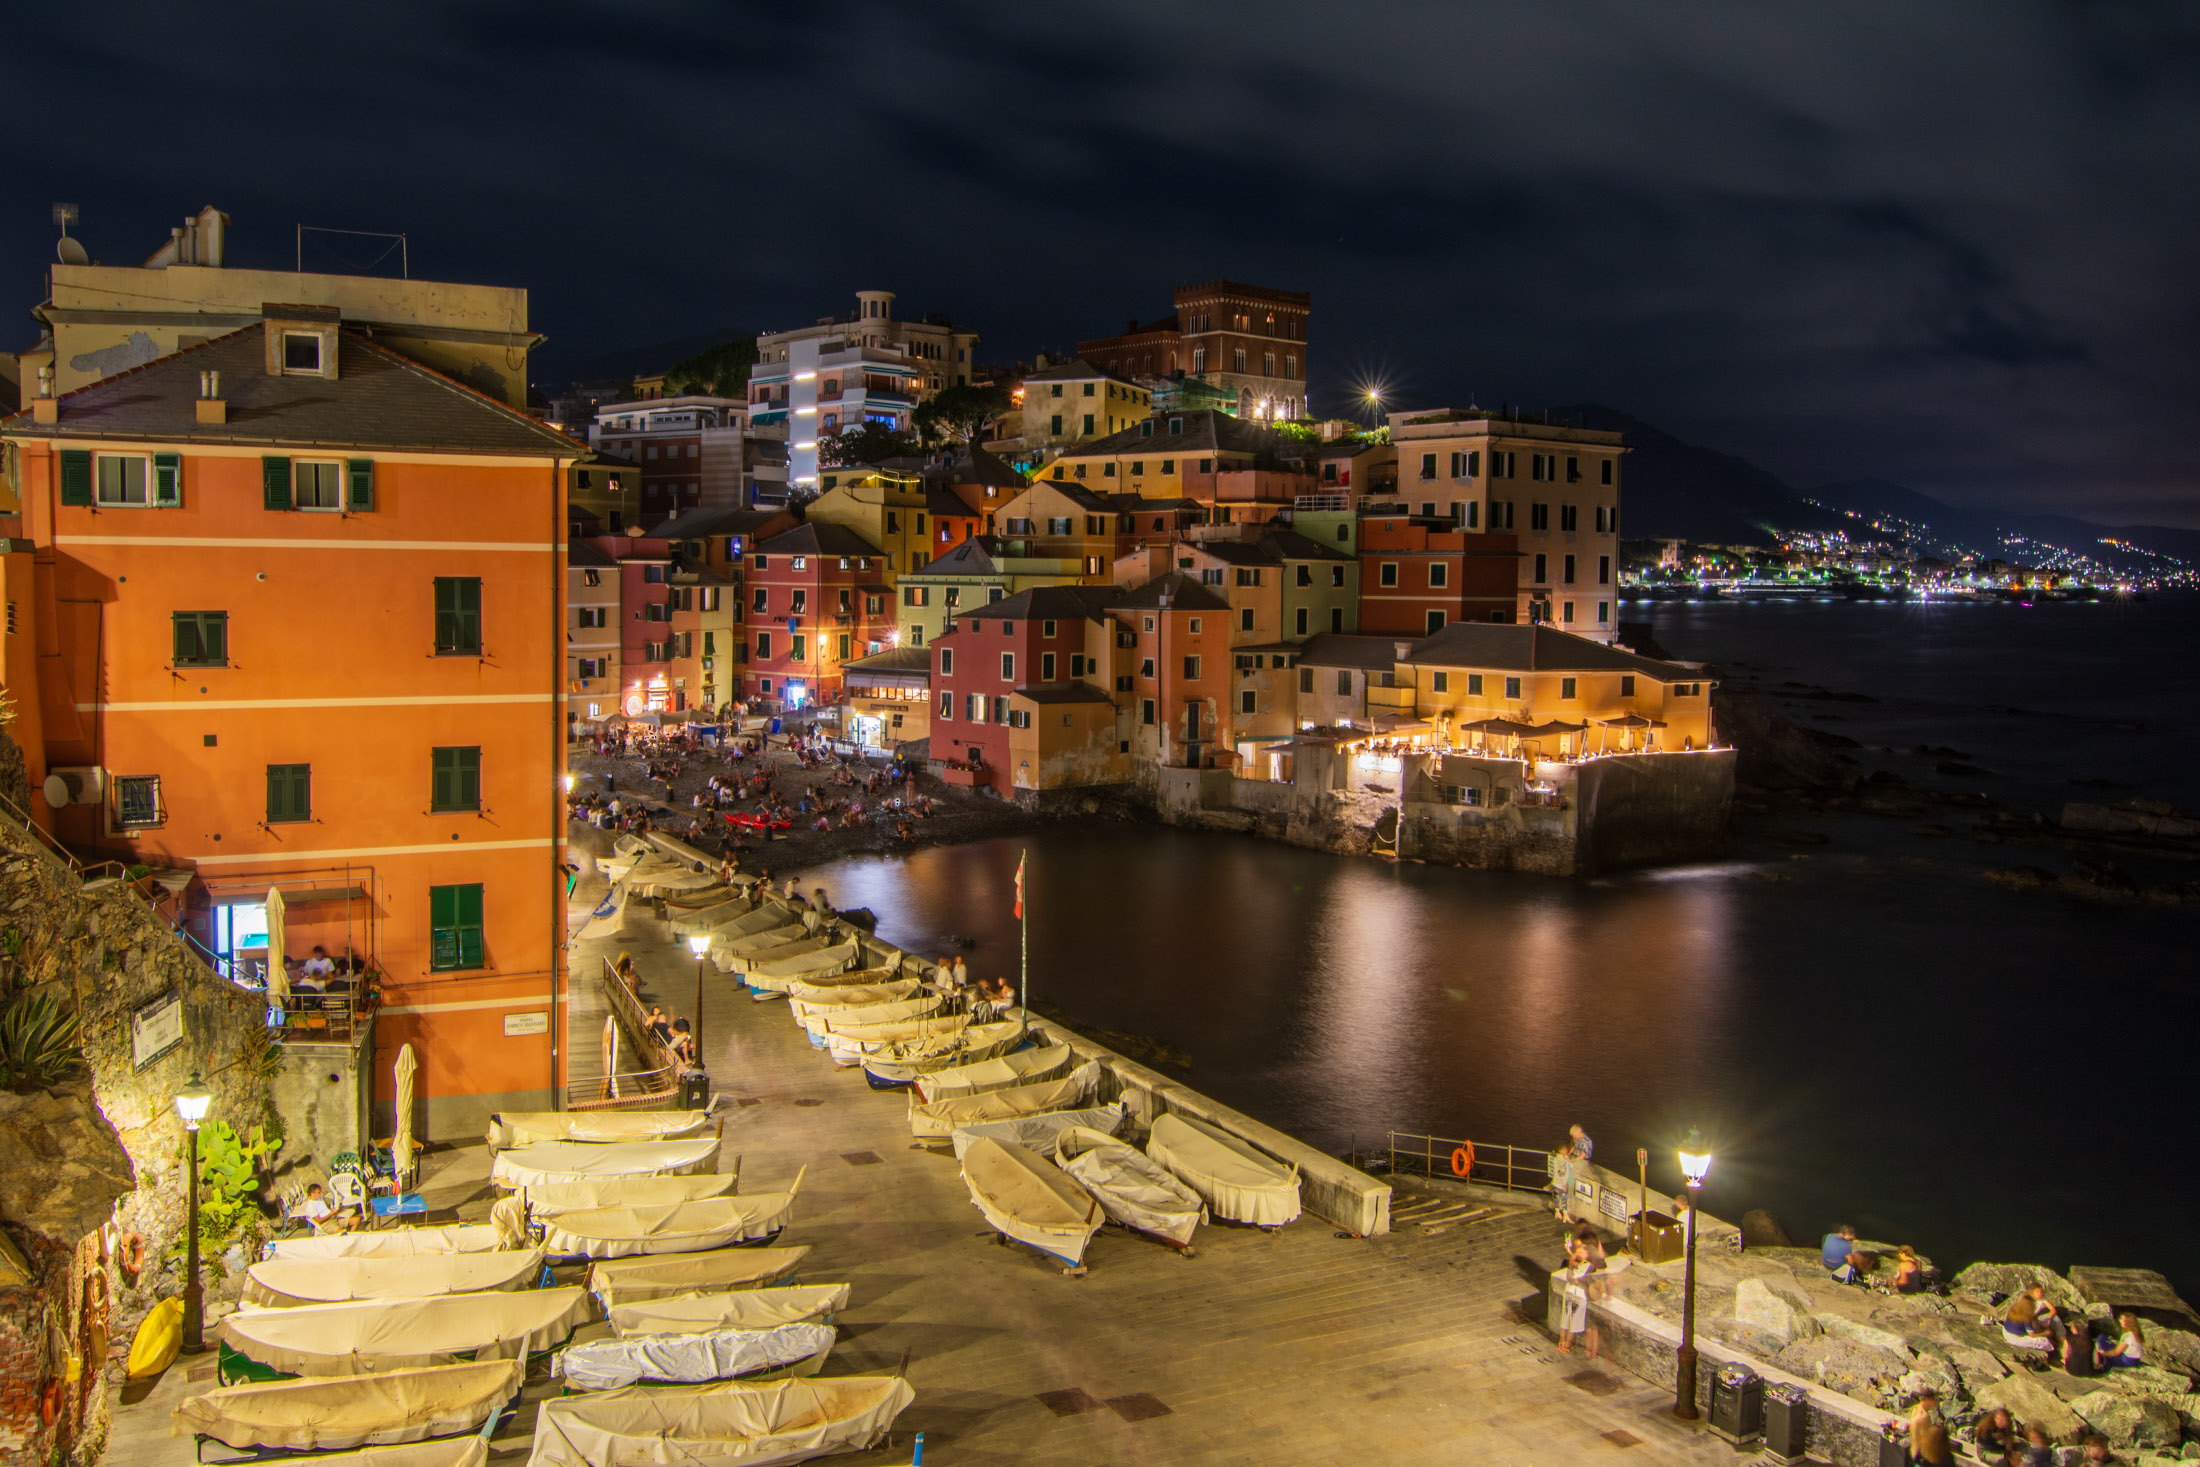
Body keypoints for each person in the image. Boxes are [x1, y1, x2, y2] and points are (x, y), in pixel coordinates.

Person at [1556, 1238, 1593, 1354]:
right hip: (1570, 1292)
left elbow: (1581, 1280)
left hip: (1579, 1295)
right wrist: (1571, 1253)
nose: (1579, 1254)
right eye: (1578, 1252)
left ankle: (1568, 1343)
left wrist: (1576, 1280)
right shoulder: (1574, 1262)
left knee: (1574, 1320)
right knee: (1565, 1317)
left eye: (1582, 1252)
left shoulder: (1589, 1265)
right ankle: (1561, 1340)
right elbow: (1571, 1277)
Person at [2003, 1284, 2063, 1350]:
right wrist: (2045, 1333)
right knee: (2044, 1341)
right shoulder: (2026, 1318)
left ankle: (2058, 1341)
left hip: (2006, 1331)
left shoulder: (2014, 1308)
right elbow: (2032, 1335)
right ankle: (2055, 1348)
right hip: (2016, 1337)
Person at [1907, 1391, 1953, 1466]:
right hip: (1920, 1453)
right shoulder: (1925, 1417)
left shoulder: (1916, 1408)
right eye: (1934, 1400)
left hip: (1913, 1450)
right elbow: (1926, 1438)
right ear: (1927, 1400)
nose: (1935, 1402)